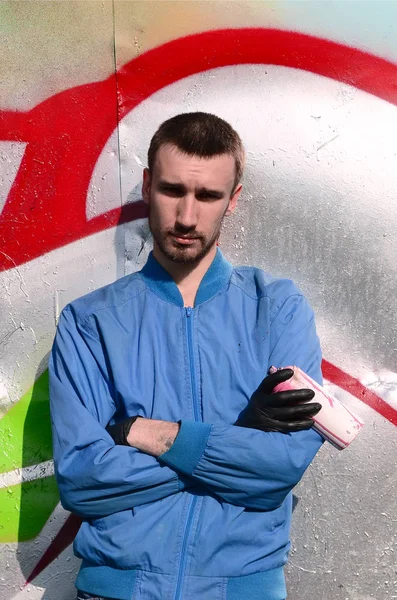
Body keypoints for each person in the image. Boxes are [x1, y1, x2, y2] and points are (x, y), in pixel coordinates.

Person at [49, 112, 324, 600]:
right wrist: (240, 438)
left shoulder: (277, 308)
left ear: (233, 200)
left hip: (242, 590)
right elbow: (83, 480)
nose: (186, 217)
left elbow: (279, 468)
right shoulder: (89, 323)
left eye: (208, 196)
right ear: (146, 185)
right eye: (172, 190)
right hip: (116, 591)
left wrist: (143, 433)